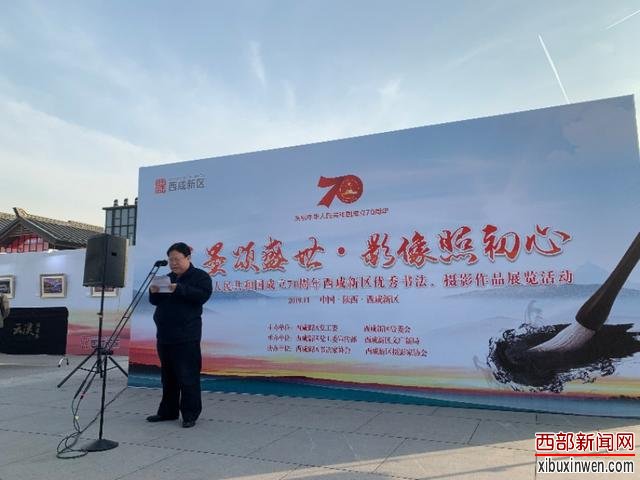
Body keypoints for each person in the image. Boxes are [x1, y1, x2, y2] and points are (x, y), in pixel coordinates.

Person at [146, 242, 212, 428]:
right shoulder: (166, 278)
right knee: (168, 377)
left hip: (186, 336)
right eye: (170, 260)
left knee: (187, 376)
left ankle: (190, 414)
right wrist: (153, 291)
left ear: (188, 258)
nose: (173, 263)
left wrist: (179, 288)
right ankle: (168, 412)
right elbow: (155, 301)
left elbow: (202, 295)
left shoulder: (200, 276)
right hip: (164, 335)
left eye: (177, 259)